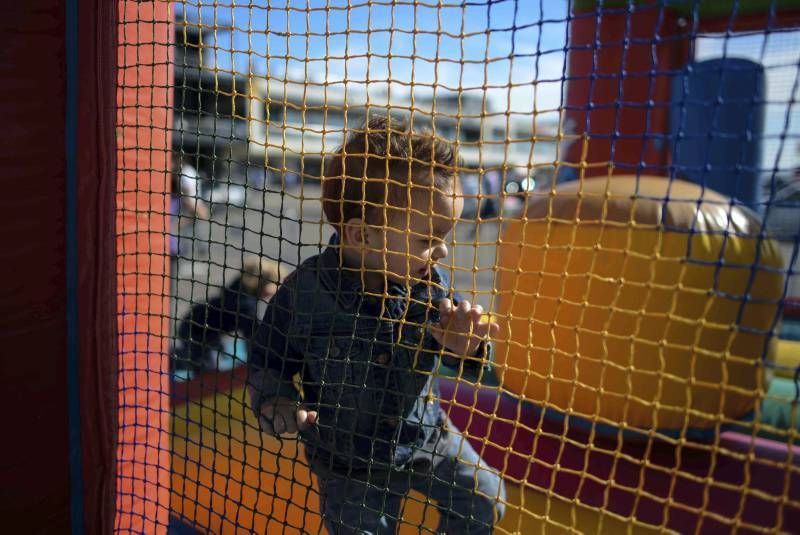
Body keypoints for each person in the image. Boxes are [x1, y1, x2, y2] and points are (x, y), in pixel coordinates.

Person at [247, 115, 506, 534]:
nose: (441, 251)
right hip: (348, 463)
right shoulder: (305, 294)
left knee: (485, 500)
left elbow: (462, 350)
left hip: (426, 439)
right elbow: (268, 360)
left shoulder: (429, 286)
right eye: (428, 238)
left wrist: (468, 348)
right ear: (362, 235)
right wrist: (276, 402)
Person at [173, 257, 282, 374]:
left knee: (210, 360)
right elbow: (252, 337)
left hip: (203, 327)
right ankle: (174, 360)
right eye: (275, 284)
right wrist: (258, 363)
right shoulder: (245, 304)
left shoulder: (240, 287)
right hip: (195, 330)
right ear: (264, 283)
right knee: (203, 367)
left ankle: (178, 357)